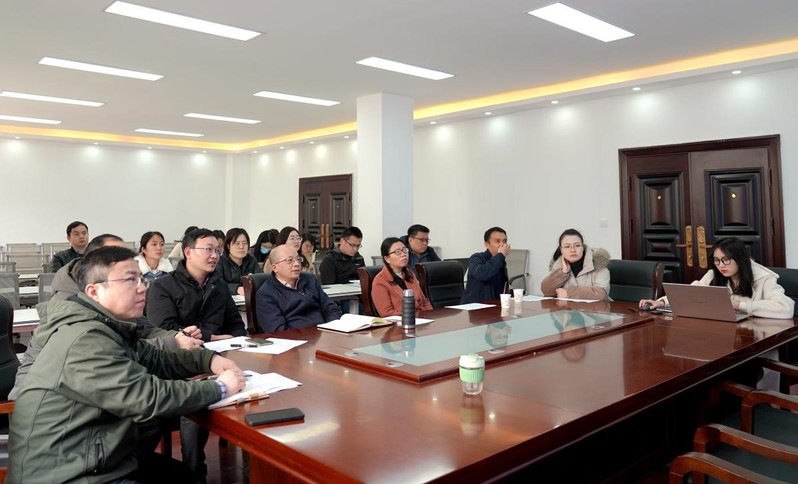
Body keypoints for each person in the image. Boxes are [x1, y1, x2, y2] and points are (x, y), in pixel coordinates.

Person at [8, 246, 246, 483]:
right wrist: (220, 387)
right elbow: (147, 397)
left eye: (141, 279)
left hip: (92, 453)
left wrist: (209, 359)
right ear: (94, 291)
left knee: (180, 475)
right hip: (65, 471)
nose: (142, 288)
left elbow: (155, 358)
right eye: (130, 280)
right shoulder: (85, 339)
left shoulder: (105, 326)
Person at [10, 233, 203, 400]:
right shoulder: (69, 306)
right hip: (54, 406)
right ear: (93, 262)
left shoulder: (114, 296)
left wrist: (177, 336)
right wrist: (173, 343)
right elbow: (114, 351)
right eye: (116, 256)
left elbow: (146, 329)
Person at [146, 228, 248, 480]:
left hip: (219, 357)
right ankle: (194, 471)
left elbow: (236, 327)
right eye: (208, 250)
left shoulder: (218, 285)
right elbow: (164, 332)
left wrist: (223, 340)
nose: (215, 255)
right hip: (177, 362)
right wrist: (212, 336)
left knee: (249, 384)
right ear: (188, 252)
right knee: (196, 393)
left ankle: (252, 466)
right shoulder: (163, 287)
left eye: (217, 250)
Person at [639, 236, 794, 318]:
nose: (721, 265)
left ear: (740, 259)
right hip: (724, 334)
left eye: (726, 260)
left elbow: (786, 308)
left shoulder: (763, 278)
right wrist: (661, 302)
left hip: (756, 341)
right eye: (717, 260)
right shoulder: (715, 274)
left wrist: (738, 305)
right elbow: (692, 292)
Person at [256, 244, 341, 333]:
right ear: (275, 268)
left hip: (324, 333)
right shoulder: (266, 294)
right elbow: (277, 331)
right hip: (295, 338)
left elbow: (330, 308)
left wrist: (332, 328)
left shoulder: (310, 280)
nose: (296, 264)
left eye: (298, 259)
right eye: (290, 260)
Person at [541, 229, 611, 300]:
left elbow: (600, 294)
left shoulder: (598, 265)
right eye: (567, 246)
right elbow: (546, 291)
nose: (572, 250)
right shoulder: (558, 266)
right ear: (561, 250)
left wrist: (568, 293)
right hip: (566, 307)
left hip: (596, 307)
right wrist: (562, 273)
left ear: (583, 247)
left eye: (577, 245)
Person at [372, 237, 432, 316]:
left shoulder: (410, 274)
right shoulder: (380, 281)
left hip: (421, 319)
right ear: (387, 259)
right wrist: (413, 316)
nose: (404, 254)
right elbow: (387, 313)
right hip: (401, 321)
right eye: (398, 252)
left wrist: (431, 315)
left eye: (405, 250)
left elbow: (424, 301)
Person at [460, 227, 511, 304]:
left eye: (504, 241)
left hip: (494, 305)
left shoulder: (500, 261)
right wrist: (500, 255)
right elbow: (483, 274)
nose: (502, 245)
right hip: (474, 306)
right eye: (497, 241)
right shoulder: (476, 258)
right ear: (487, 244)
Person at [216, 227, 263, 296]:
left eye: (245, 243)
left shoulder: (252, 260)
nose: (241, 247)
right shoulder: (219, 262)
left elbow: (261, 280)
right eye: (237, 243)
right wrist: (236, 289)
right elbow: (217, 284)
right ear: (228, 246)